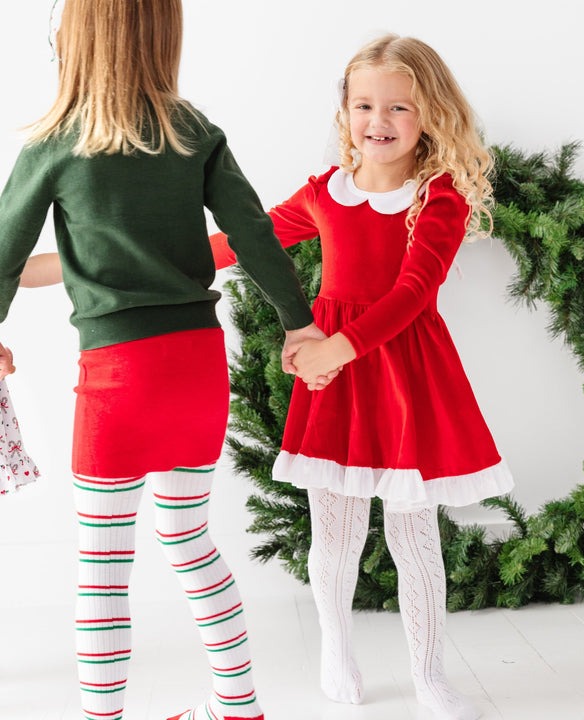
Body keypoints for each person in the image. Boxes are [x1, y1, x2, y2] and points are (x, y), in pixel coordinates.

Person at [0, 2, 325, 719]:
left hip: (118, 379)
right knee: (189, 539)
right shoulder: (196, 133)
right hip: (197, 369)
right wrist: (298, 324)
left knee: (103, 570)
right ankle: (239, 709)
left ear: (76, 37)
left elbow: (4, 257)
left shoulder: (54, 145)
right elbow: (255, 234)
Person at [214, 33, 515, 720]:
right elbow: (250, 240)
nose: (378, 122)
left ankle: (429, 674)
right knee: (337, 531)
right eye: (364, 105)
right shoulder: (326, 192)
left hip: (403, 372)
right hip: (337, 383)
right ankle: (335, 644)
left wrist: (337, 347)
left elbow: (413, 294)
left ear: (430, 115)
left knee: (415, 537)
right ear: (345, 112)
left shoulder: (438, 198)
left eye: (399, 108)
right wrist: (161, 259)